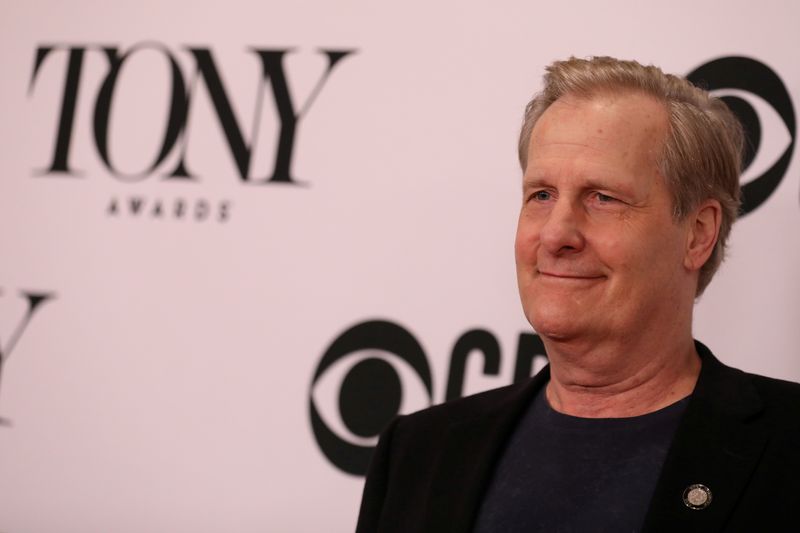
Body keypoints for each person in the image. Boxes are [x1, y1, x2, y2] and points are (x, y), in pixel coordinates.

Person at [355, 56, 800, 532]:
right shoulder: (418, 452)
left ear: (697, 234)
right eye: (541, 195)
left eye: (602, 198)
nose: (556, 234)